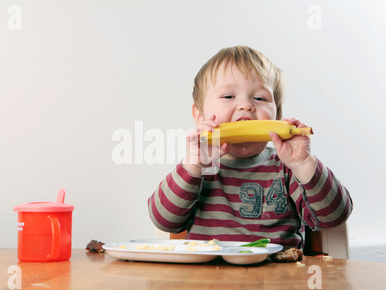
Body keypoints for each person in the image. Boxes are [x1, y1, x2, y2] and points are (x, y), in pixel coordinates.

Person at [148, 45, 352, 249]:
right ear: (199, 115)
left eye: (260, 98)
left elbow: (334, 217)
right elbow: (164, 221)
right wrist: (192, 166)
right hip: (208, 277)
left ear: (277, 116)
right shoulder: (198, 170)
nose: (245, 105)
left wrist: (303, 163)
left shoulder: (287, 167)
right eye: (228, 96)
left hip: (278, 278)